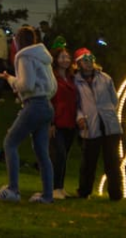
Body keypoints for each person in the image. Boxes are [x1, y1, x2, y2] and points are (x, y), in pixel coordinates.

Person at [0, 25, 57, 203]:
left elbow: (26, 84)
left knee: (10, 142)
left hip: (33, 104)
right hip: (46, 104)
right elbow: (53, 85)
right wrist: (9, 78)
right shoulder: (43, 57)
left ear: (17, 41)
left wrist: (13, 82)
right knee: (42, 152)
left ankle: (13, 189)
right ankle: (47, 195)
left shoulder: (24, 57)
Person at [73, 48, 123, 201]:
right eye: (84, 60)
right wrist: (80, 116)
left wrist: (107, 112)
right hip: (90, 124)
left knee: (112, 161)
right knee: (88, 160)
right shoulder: (75, 81)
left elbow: (114, 100)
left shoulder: (105, 78)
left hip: (109, 124)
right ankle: (84, 191)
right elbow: (75, 103)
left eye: (90, 60)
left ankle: (115, 193)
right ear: (79, 63)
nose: (88, 63)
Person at [49, 46, 78, 199]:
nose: (65, 60)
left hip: (70, 121)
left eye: (67, 57)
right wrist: (50, 122)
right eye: (62, 57)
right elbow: (50, 99)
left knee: (64, 155)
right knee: (57, 154)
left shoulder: (72, 78)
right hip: (57, 121)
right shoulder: (52, 77)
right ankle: (53, 187)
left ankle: (60, 187)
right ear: (55, 59)